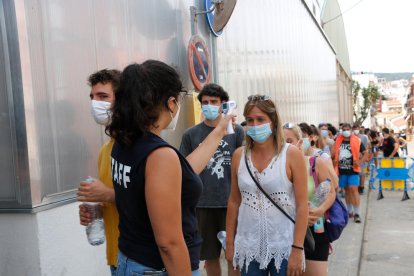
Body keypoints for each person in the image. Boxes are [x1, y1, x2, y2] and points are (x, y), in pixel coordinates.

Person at [106, 60, 234, 275]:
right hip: (159, 268)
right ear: (171, 103)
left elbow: (180, 173)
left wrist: (219, 131)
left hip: (132, 261)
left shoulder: (124, 142)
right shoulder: (159, 155)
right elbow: (169, 243)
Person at [226, 95, 308, 276]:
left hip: (284, 245)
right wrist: (230, 244)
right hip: (248, 246)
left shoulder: (291, 155)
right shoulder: (239, 156)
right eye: (250, 120)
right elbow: (233, 201)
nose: (255, 125)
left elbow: (303, 206)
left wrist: (297, 249)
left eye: (260, 119)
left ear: (273, 121)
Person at [179, 83, 244, 276]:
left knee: (234, 256)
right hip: (202, 205)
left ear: (223, 104)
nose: (209, 105)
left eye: (214, 102)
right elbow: (184, 169)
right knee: (210, 258)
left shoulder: (237, 132)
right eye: (205, 102)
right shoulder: (191, 134)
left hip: (231, 203)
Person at [77, 69, 121, 276]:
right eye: (92, 97)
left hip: (141, 262)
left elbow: (153, 202)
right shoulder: (105, 149)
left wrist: (107, 195)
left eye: (103, 96)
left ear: (122, 100)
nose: (95, 103)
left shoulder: (140, 147)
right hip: (115, 257)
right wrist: (96, 209)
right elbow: (117, 200)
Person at [283, 123, 335, 276]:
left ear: (300, 142)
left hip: (314, 228)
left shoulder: (315, 163)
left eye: (289, 141)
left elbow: (331, 192)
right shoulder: (273, 168)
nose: (286, 145)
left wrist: (320, 210)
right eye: (282, 141)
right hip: (286, 231)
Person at [333, 123, 368, 223]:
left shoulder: (357, 140)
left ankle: (357, 213)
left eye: (348, 129)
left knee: (354, 189)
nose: (346, 131)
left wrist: (360, 162)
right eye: (344, 129)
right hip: (341, 170)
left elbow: (365, 153)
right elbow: (333, 153)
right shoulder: (338, 140)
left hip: (353, 170)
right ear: (341, 130)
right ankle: (349, 211)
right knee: (347, 190)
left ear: (351, 130)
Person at [352, 124, 370, 195]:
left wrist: (365, 157)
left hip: (362, 157)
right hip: (354, 158)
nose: (356, 130)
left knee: (362, 173)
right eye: (354, 128)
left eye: (357, 128)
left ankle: (361, 187)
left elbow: (366, 147)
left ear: (359, 129)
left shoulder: (364, 137)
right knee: (355, 173)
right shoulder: (351, 137)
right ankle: (356, 186)